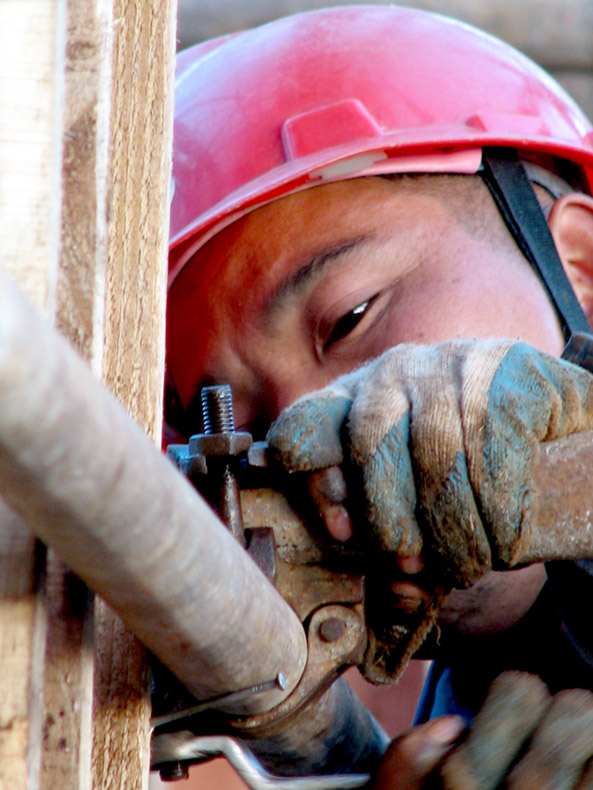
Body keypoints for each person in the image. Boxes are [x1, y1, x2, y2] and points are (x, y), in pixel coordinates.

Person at [164, 5, 593, 787]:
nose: (306, 437)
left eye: (350, 318)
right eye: (240, 422)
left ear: (580, 267)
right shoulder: (437, 750)